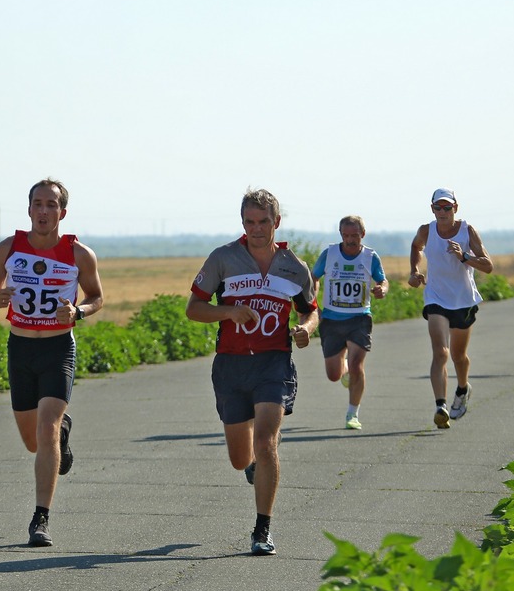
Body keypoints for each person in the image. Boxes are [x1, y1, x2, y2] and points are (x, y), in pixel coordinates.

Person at [185, 188, 318, 556]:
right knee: (240, 458)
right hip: (230, 365)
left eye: (263, 222)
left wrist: (306, 329)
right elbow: (194, 308)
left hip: (273, 362)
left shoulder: (294, 266)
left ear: (276, 222)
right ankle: (255, 465)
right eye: (249, 222)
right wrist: (228, 312)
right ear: (242, 223)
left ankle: (262, 529)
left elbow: (310, 308)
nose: (257, 229)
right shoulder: (223, 259)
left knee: (266, 440)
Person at [0, 178, 104, 548]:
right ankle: (61, 432)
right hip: (20, 349)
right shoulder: (9, 248)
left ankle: (40, 519)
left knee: (45, 428)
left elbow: (97, 297)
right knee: (33, 441)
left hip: (57, 349)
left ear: (62, 212)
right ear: (29, 209)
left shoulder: (80, 254)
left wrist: (78, 311)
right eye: (38, 204)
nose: (44, 211)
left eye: (52, 205)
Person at [408, 188, 493, 427]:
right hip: (435, 298)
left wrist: (464, 256)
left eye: (447, 207)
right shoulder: (426, 230)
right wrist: (415, 271)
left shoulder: (467, 231)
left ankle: (463, 388)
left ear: (456, 208)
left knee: (458, 355)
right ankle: (440, 406)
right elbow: (416, 247)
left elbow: (488, 266)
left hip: (463, 301)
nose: (443, 212)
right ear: (432, 209)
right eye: (438, 207)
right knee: (441, 352)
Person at [311, 215, 389, 430]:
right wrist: (312, 300)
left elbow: (383, 280)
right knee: (333, 375)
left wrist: (382, 289)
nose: (350, 240)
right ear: (341, 235)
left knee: (357, 366)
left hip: (359, 318)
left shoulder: (370, 257)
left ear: (362, 234)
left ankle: (352, 413)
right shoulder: (329, 254)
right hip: (332, 319)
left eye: (354, 235)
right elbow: (313, 277)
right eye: (346, 235)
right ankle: (344, 368)